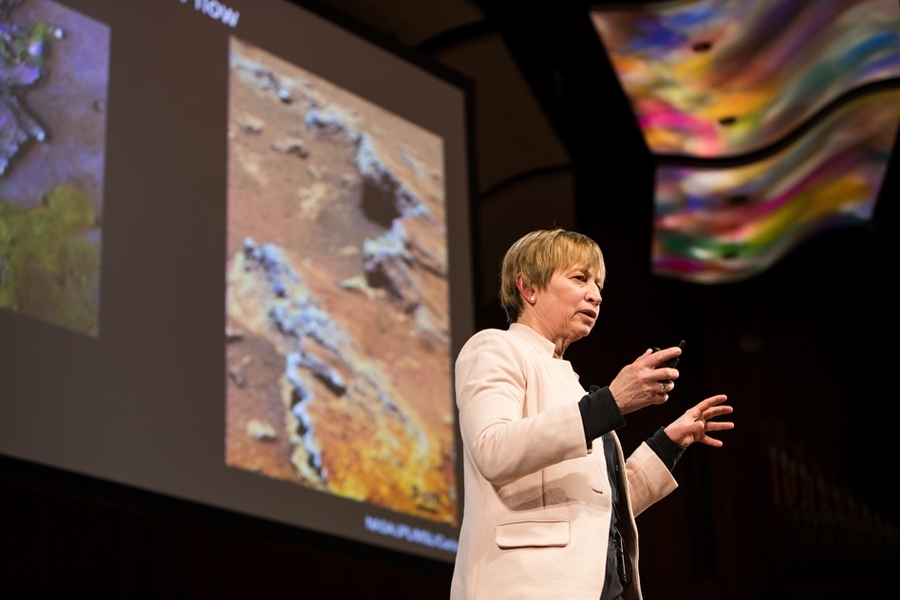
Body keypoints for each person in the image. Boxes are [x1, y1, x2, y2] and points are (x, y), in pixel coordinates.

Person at [450, 229, 733, 600]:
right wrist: (611, 403)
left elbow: (597, 501)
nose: (596, 295)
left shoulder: (573, 384)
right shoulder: (495, 348)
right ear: (528, 287)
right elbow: (492, 449)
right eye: (580, 278)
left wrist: (667, 443)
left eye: (598, 284)